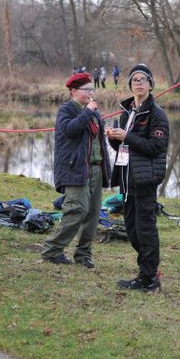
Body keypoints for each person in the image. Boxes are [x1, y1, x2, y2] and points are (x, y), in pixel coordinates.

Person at [106, 64, 169, 293]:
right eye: (134, 80)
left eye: (143, 80)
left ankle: (149, 279)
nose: (138, 83)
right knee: (132, 230)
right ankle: (146, 273)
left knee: (146, 229)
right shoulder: (128, 112)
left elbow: (155, 147)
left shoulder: (157, 115)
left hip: (146, 179)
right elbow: (123, 145)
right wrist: (114, 137)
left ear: (151, 85)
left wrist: (128, 137)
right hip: (128, 179)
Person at [41, 73, 111, 268]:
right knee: (77, 209)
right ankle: (52, 250)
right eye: (86, 90)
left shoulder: (94, 113)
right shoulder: (66, 110)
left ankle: (83, 255)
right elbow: (70, 130)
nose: (91, 93)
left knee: (93, 214)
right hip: (75, 169)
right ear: (73, 92)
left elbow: (96, 141)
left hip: (96, 169)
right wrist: (87, 112)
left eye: (92, 89)